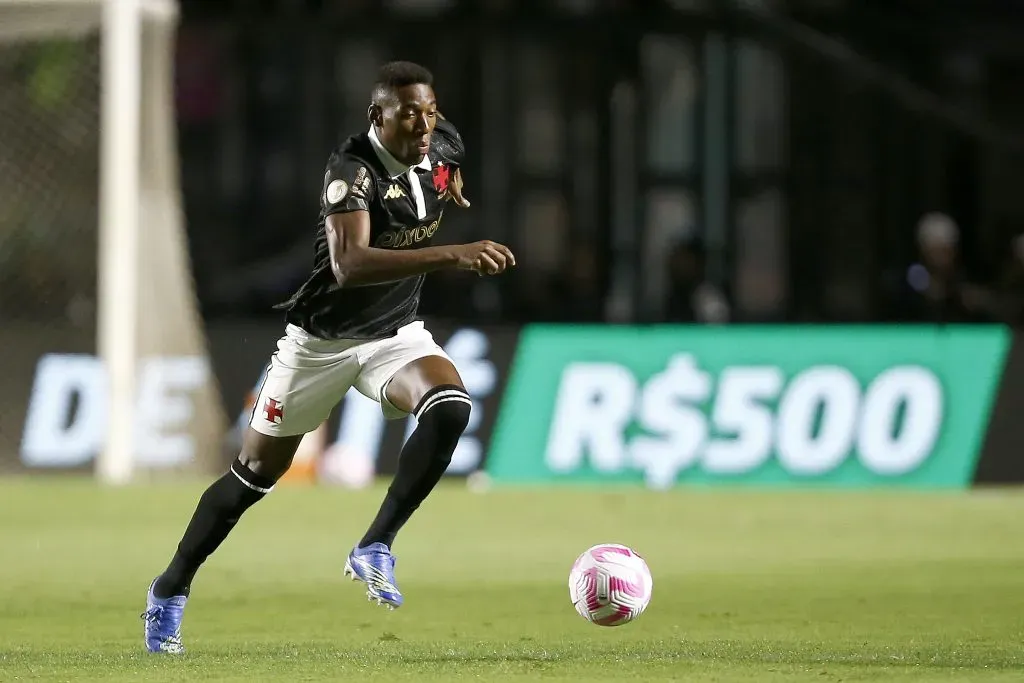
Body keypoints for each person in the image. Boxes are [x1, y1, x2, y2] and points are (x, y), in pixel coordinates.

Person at [141, 61, 516, 654]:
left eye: (429, 111)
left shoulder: (440, 147)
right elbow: (351, 265)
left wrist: (450, 180)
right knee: (250, 480)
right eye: (408, 113)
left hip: (394, 336)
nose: (422, 124)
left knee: (449, 408)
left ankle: (375, 546)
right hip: (318, 345)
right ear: (377, 117)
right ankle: (169, 590)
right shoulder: (351, 171)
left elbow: (447, 156)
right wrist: (453, 254)